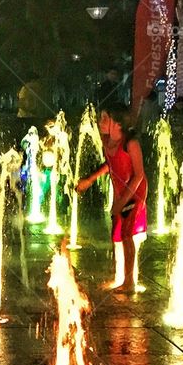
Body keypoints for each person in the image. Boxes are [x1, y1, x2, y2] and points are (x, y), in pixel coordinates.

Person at [76, 104, 148, 293]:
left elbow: (139, 175)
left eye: (105, 119)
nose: (100, 123)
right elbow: (109, 164)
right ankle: (120, 276)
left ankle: (129, 282)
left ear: (117, 124)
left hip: (134, 194)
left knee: (126, 234)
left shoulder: (130, 144)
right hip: (120, 195)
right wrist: (90, 180)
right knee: (116, 235)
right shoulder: (108, 141)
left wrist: (123, 202)